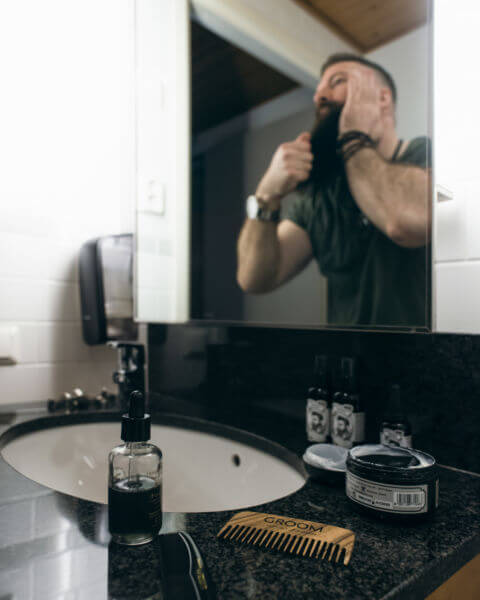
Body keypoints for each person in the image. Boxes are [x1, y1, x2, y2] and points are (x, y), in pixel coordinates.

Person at [236, 53, 431, 327]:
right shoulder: (321, 194)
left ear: (383, 98)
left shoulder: (429, 157)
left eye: (337, 81)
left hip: (426, 355)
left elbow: (402, 222)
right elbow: (254, 279)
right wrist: (267, 194)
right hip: (346, 355)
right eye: (318, 91)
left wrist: (353, 136)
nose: (319, 97)